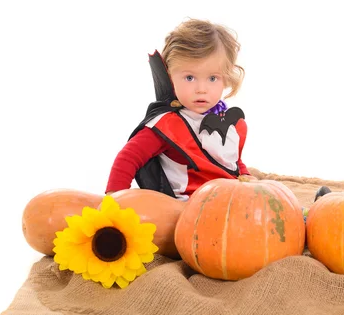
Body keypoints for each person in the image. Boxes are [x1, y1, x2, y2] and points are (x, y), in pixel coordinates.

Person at [106, 18, 256, 201]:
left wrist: (245, 174)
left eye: (212, 78)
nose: (202, 88)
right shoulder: (166, 126)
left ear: (226, 78)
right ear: (170, 76)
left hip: (227, 203)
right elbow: (129, 157)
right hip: (183, 207)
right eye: (190, 78)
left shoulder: (233, 124)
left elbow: (231, 162)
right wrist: (113, 198)